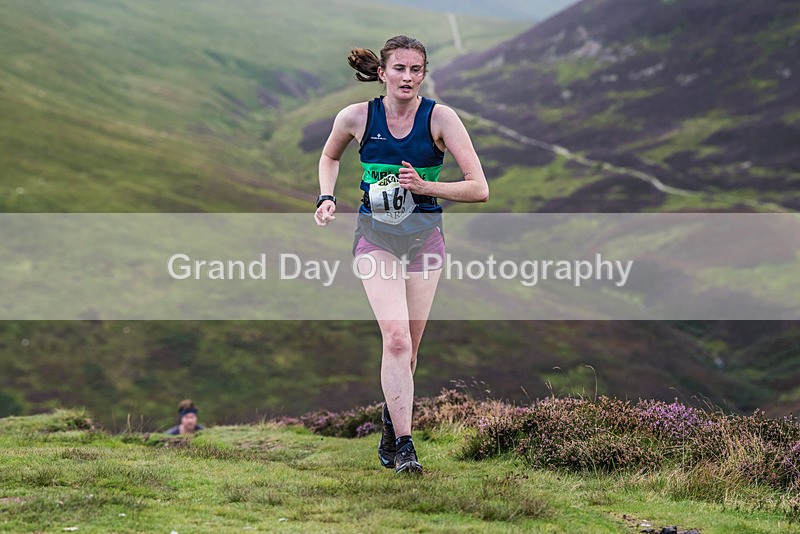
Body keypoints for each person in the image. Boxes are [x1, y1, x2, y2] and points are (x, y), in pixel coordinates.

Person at [314, 35, 488, 474]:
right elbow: (329, 156)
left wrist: (426, 187)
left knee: (409, 353)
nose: (407, 77)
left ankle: (392, 429)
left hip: (425, 240)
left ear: (423, 74)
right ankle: (407, 447)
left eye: (415, 70)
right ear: (382, 73)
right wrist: (326, 196)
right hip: (376, 238)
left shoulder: (441, 118)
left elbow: (479, 188)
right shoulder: (356, 117)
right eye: (399, 69)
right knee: (395, 339)